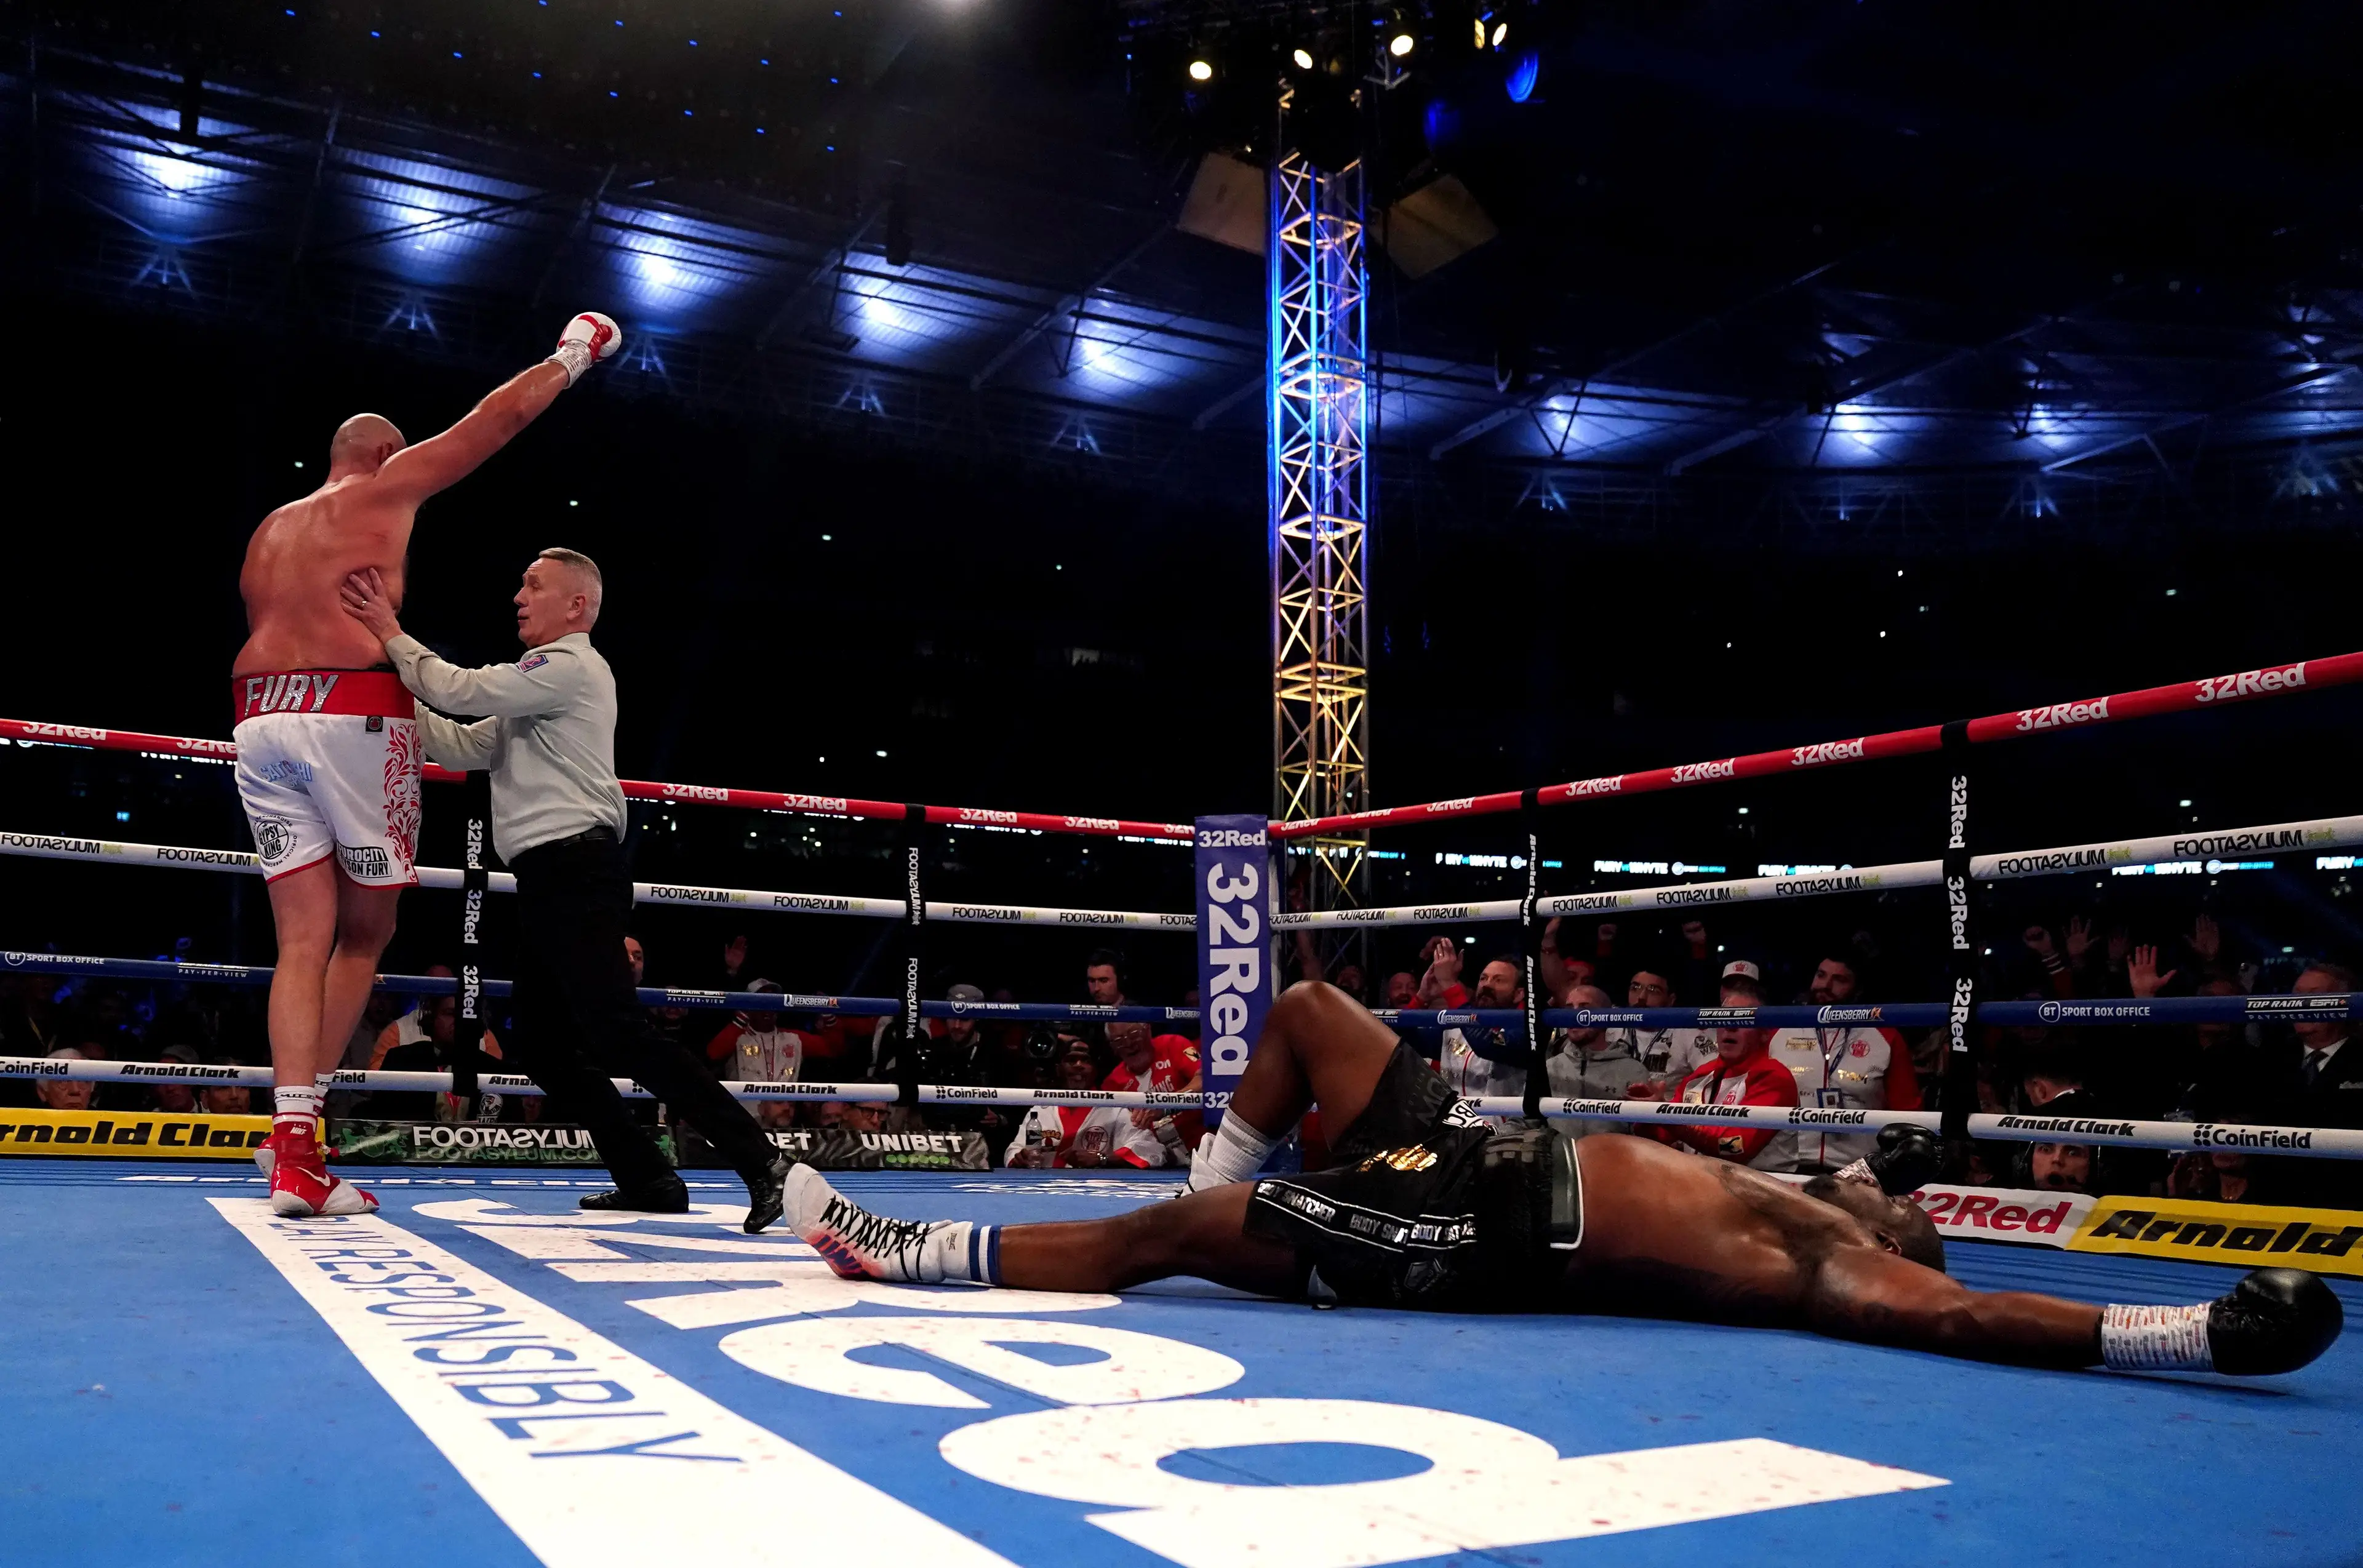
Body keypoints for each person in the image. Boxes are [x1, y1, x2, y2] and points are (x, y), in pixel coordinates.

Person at [785, 981, 2341, 1378]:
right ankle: (1227, 1153)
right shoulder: (1800, 1196)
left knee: (1190, 1232)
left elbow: (1974, 1321)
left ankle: (908, 1250)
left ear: (1890, 1238)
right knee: (1313, 1014)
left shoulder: (1832, 1269)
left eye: (1897, 1205)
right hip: (1470, 1146)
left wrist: (2184, 1332)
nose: (1880, 1194)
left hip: (1475, 1224)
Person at [233, 310, 622, 1218]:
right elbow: (492, 423)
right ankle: (306, 1138)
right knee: (363, 936)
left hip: (257, 720)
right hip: (352, 716)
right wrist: (573, 356)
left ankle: (289, 1145)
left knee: (299, 939)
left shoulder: (268, 533)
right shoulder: (379, 490)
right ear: (382, 457)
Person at [340, 546, 791, 1232]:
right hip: (551, 877)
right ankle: (647, 1175)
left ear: (576, 605)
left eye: (534, 585)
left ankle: (766, 1165)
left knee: (619, 1032)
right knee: (546, 1045)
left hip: (577, 870)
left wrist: (390, 633)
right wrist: (397, 689)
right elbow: (464, 745)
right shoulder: (534, 694)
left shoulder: (567, 667)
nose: (518, 596)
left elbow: (460, 688)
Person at [1762, 954, 1920, 1171]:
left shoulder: (1885, 1038)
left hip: (1858, 1172)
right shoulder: (1779, 1032)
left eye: (1839, 980)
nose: (1825, 986)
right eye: (1821, 975)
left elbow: (1908, 1111)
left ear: (1857, 989)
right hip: (1786, 1168)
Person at [1649, 1010, 1800, 1167]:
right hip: (1700, 1184)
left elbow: (1734, 1147)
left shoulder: (1775, 1078)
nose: (1730, 1026)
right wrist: (1646, 1111)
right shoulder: (1699, 1077)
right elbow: (1661, 1137)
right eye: (1723, 1019)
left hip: (1761, 1188)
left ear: (1763, 1033)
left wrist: (1667, 1116)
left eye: (1742, 1020)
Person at [1103, 1020, 1202, 1168]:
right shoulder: (1112, 1084)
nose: (1128, 1043)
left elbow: (1206, 1079)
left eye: (1133, 1034)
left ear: (1148, 1029)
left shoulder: (1176, 1044)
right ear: (1113, 1047)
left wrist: (1167, 1104)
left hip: (1205, 1148)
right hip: (1161, 1165)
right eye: (1119, 1040)